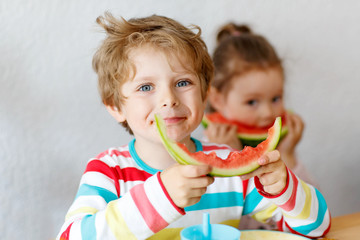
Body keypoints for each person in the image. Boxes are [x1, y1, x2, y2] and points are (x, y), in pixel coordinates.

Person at [57, 13, 330, 239]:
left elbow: (316, 228)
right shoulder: (108, 172)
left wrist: (286, 188)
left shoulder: (229, 168)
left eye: (183, 83)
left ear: (205, 93)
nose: (168, 99)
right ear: (116, 107)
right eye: (146, 87)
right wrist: (160, 197)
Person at [204, 23, 318, 229]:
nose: (267, 113)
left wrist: (289, 155)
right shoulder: (205, 151)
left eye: (276, 98)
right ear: (218, 99)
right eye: (252, 102)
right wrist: (229, 157)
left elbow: (311, 211)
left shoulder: (278, 147)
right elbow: (216, 217)